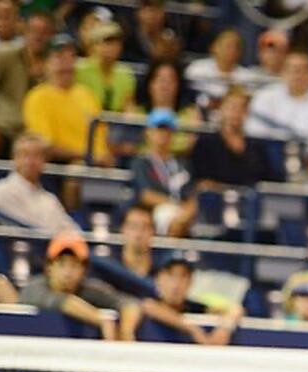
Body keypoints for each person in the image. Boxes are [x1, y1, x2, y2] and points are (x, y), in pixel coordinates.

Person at [19, 231, 141, 340]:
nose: (68, 272)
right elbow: (61, 301)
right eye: (62, 264)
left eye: (74, 265)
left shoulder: (90, 289)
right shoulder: (33, 288)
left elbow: (130, 303)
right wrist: (100, 319)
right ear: (49, 267)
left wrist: (127, 333)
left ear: (84, 271)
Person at [0, 10, 54, 156]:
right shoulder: (6, 54)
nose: (38, 36)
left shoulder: (54, 64)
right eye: (33, 30)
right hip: (4, 132)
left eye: (44, 31)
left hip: (40, 136)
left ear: (52, 35)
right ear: (24, 31)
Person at [22, 34, 111, 166]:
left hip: (94, 163)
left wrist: (104, 156)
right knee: (76, 171)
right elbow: (46, 146)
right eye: (59, 57)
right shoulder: (37, 96)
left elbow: (103, 136)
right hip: (59, 166)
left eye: (71, 57)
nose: (66, 62)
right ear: (46, 63)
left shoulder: (86, 94)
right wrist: (87, 156)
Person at [0, 133, 81, 233]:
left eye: (36, 156)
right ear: (14, 159)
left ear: (44, 162)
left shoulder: (50, 200)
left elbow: (73, 232)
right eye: (25, 155)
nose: (30, 161)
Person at [142, 250, 243, 344]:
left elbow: (235, 309)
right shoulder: (147, 303)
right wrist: (193, 329)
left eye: (183, 276)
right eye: (171, 275)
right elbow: (150, 306)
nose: (176, 284)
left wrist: (224, 329)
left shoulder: (196, 307)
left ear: (191, 281)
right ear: (159, 278)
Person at [245, 51, 308, 142]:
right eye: (294, 70)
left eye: (304, 70)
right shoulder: (266, 95)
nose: (299, 75)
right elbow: (254, 132)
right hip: (271, 154)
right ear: (283, 73)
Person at [192, 87, 282, 188]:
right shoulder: (206, 142)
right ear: (222, 109)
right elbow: (202, 181)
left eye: (242, 108)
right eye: (232, 107)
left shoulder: (256, 146)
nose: (236, 113)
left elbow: (268, 180)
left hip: (250, 200)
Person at [130, 108, 197, 236]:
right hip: (156, 211)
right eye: (158, 129)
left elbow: (192, 193)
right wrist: (177, 206)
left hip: (184, 212)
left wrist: (188, 209)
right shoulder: (142, 162)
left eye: (167, 130)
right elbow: (146, 195)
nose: (163, 134)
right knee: (168, 217)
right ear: (148, 132)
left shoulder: (182, 162)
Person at [75, 21, 135, 112]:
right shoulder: (79, 70)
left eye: (117, 43)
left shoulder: (126, 74)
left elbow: (128, 106)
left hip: (116, 124)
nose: (113, 47)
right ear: (94, 45)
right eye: (107, 42)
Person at [184, 30, 255, 104]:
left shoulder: (248, 77)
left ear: (240, 52)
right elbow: (190, 97)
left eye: (235, 47)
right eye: (227, 46)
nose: (231, 50)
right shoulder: (197, 69)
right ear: (214, 47)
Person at [118, 204, 154, 278]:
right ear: (123, 229)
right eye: (133, 226)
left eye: (145, 227)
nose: (139, 233)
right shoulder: (111, 267)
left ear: (153, 231)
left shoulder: (161, 270)